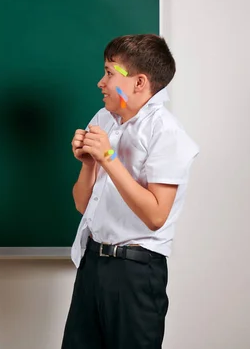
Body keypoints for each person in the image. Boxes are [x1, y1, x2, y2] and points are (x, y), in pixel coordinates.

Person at [62, 34, 199, 349]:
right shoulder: (104, 120)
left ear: (139, 82)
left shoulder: (166, 132)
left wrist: (108, 158)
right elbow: (83, 205)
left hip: (136, 271)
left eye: (110, 73)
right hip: (93, 263)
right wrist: (88, 164)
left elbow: (155, 215)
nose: (101, 82)